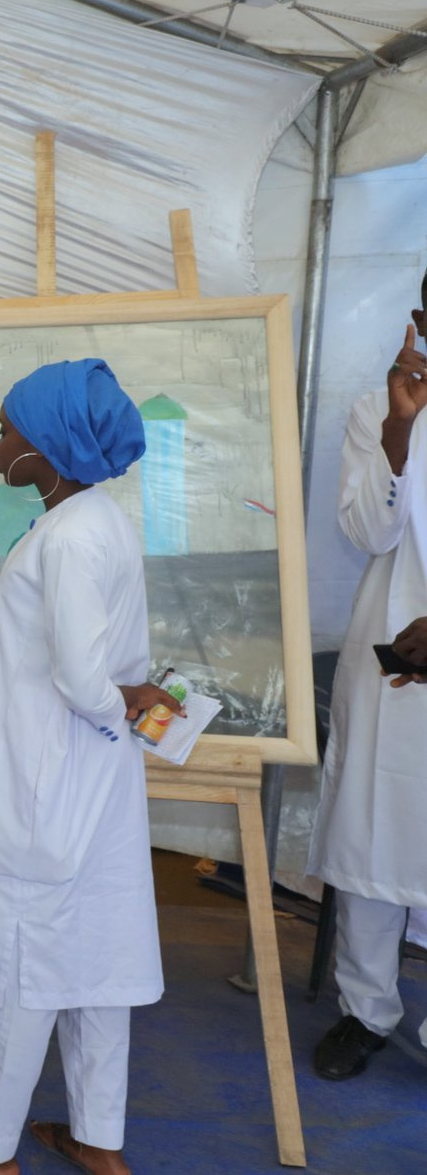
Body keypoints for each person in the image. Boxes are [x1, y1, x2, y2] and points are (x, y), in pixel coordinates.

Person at [0, 360, 176, 1175]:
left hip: (48, 791)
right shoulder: (98, 521)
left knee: (20, 973)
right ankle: (100, 1142)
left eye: (7, 431)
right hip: (98, 788)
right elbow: (63, 656)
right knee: (98, 969)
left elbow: (81, 679)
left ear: (51, 445)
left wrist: (125, 696)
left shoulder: (65, 538)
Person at [306, 287, 427, 1080]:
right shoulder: (372, 411)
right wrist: (398, 429)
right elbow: (367, 530)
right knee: (375, 831)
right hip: (394, 652)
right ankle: (368, 1009)